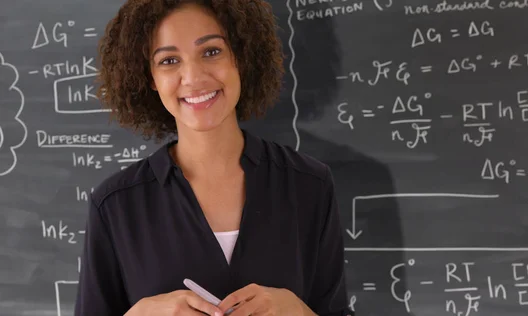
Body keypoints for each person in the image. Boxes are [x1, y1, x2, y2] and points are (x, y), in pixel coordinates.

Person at [74, 0, 351, 315]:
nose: (192, 77)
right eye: (168, 60)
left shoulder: (309, 185)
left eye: (211, 52)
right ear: (150, 77)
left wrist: (300, 312)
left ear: (241, 57)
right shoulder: (115, 205)